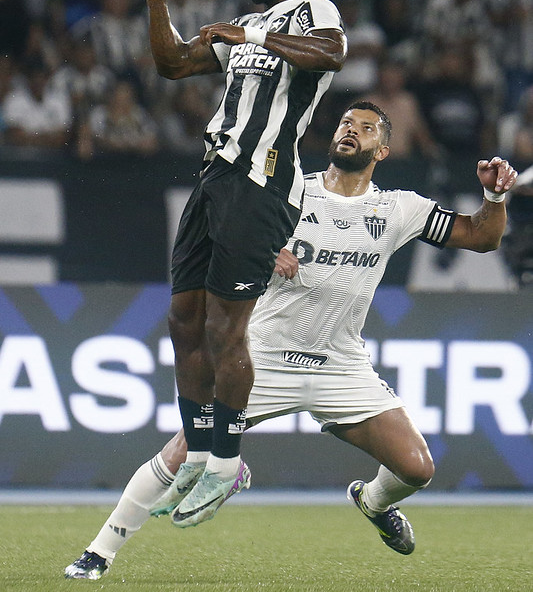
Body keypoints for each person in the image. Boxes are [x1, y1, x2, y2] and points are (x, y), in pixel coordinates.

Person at [65, 101, 517, 580]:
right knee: (182, 454)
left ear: (382, 150)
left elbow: (480, 238)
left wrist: (493, 199)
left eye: (366, 129)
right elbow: (218, 236)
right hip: (260, 360)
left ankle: (371, 501)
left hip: (340, 365)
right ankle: (99, 552)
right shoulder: (287, 191)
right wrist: (261, 249)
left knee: (418, 468)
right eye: (346, 123)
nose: (351, 131)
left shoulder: (399, 208)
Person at [123, 0, 347, 528]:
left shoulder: (311, 11)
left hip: (263, 183)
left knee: (226, 326)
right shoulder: (249, 33)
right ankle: (197, 454)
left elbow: (330, 54)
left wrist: (246, 32)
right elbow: (172, 63)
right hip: (214, 179)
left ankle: (227, 464)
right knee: (183, 318)